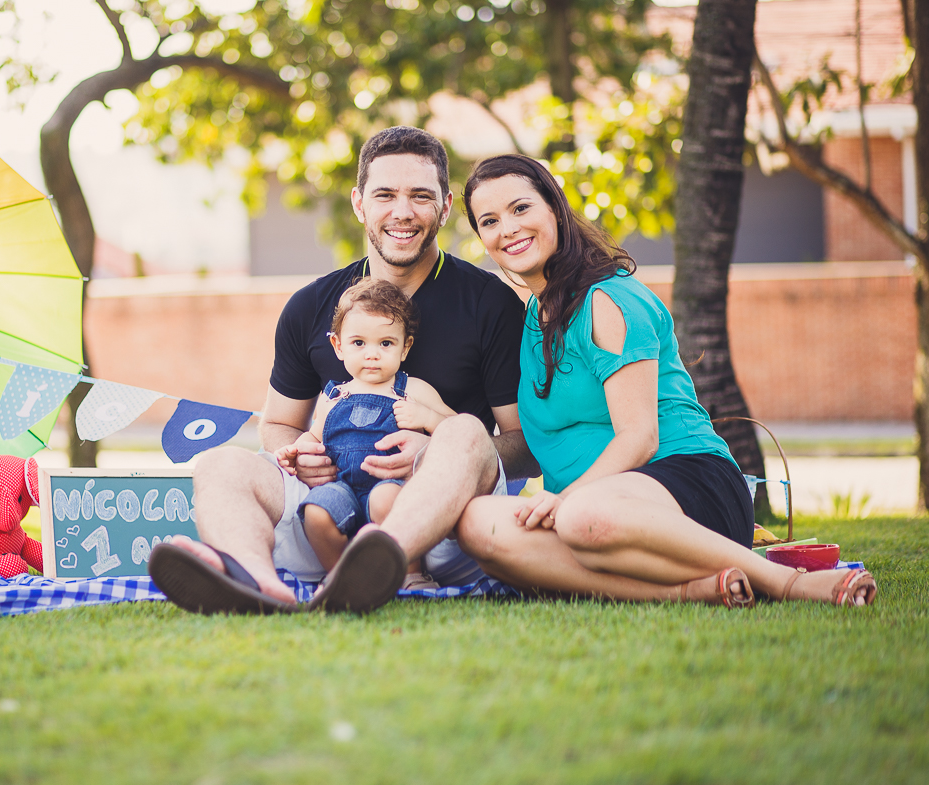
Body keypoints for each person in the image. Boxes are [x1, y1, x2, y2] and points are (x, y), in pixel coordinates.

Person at [365, 153, 877, 608]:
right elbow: (531, 446)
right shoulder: (532, 319)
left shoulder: (606, 299)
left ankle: (782, 582)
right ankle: (689, 590)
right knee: (480, 524)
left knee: (584, 515)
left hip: (682, 483)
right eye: (490, 221)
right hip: (592, 514)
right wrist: (441, 440)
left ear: (554, 209)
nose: (508, 229)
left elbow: (640, 438)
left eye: (521, 209)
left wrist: (567, 499)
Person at [148, 127, 538, 614]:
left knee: (462, 431)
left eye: (421, 196)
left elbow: (526, 445)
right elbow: (279, 424)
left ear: (445, 207)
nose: (402, 212)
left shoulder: (491, 303)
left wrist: (438, 448)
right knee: (219, 464)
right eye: (385, 195)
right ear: (358, 203)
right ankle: (259, 585)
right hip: (328, 513)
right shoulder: (311, 305)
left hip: (445, 530)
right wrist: (298, 454)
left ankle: (382, 561)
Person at [277, 278, 454, 590]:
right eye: (359, 343)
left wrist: (427, 417)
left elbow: (460, 431)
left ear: (405, 347)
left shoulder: (412, 390)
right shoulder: (333, 398)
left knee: (390, 499)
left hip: (390, 484)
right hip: (340, 488)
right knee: (317, 509)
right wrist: (297, 451)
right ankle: (341, 574)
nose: (372, 354)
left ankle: (410, 571)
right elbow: (314, 437)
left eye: (385, 343)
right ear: (339, 346)